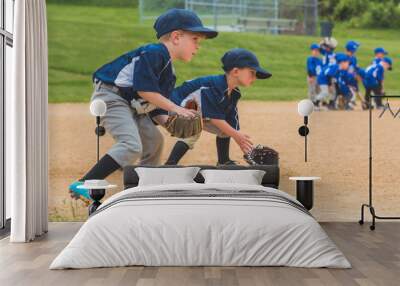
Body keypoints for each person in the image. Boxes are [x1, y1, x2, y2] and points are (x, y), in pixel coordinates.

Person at [69, 9, 218, 202]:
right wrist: (177, 109)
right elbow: (144, 90)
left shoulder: (168, 71)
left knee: (154, 142)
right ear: (176, 37)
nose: (198, 46)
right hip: (112, 97)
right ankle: (84, 183)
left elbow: (153, 105)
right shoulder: (154, 53)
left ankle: (143, 189)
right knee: (131, 145)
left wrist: (169, 123)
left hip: (133, 105)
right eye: (195, 39)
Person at [161, 48, 271, 166]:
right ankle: (170, 164)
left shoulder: (234, 93)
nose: (254, 78)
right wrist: (236, 135)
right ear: (235, 72)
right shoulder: (214, 86)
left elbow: (231, 121)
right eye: (252, 73)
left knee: (226, 129)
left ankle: (223, 161)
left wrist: (243, 144)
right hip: (172, 107)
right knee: (194, 126)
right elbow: (215, 118)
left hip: (194, 112)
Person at [306, 43, 323, 108]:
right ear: (312, 51)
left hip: (318, 77)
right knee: (311, 90)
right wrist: (310, 76)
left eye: (318, 51)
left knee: (318, 90)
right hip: (312, 77)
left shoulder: (319, 60)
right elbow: (309, 68)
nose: (316, 52)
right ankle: (311, 104)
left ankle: (317, 103)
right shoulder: (310, 59)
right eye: (315, 50)